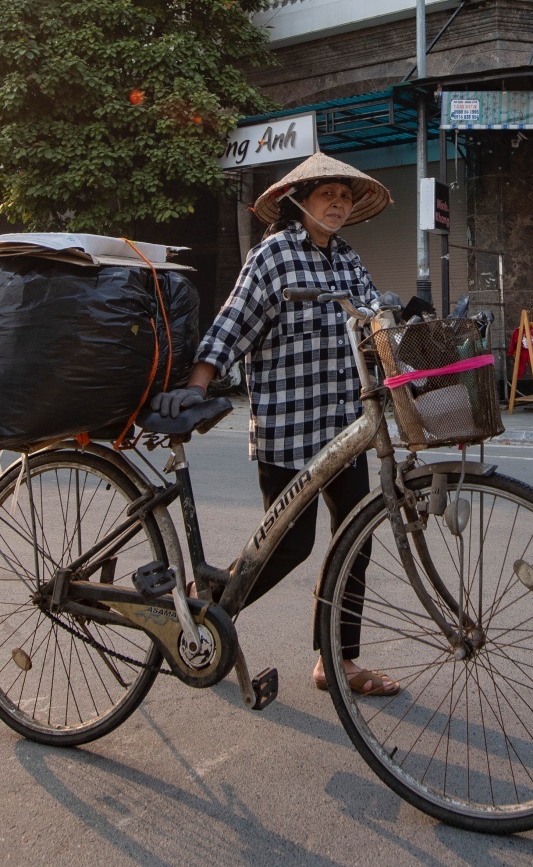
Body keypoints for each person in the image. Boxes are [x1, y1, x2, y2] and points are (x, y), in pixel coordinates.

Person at [168, 152, 401, 699]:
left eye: (345, 196)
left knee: (355, 540)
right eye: (328, 196)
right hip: (289, 426)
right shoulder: (272, 256)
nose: (339, 204)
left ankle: (336, 662)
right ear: (299, 202)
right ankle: (204, 611)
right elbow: (234, 323)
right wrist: (197, 385)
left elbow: (374, 325)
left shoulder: (348, 260)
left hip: (346, 423)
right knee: (288, 545)